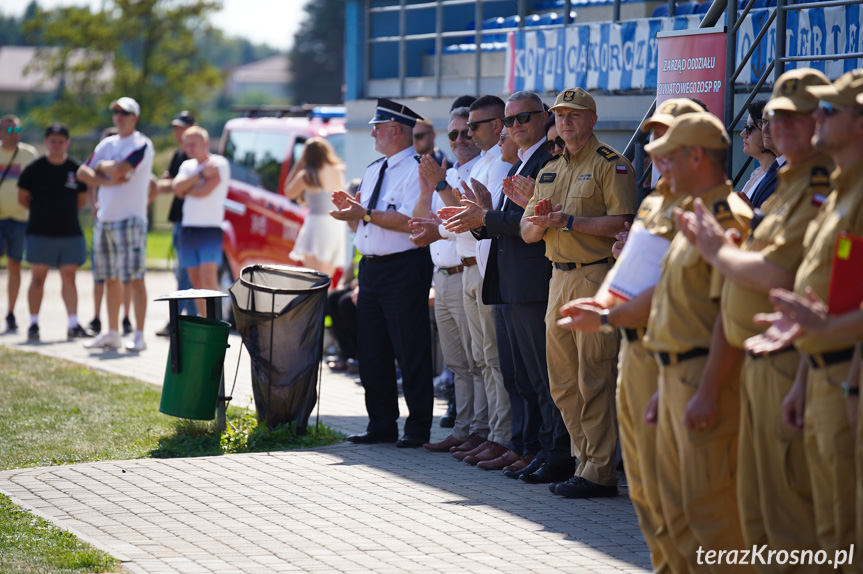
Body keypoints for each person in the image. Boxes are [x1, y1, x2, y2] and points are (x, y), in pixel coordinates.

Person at [677, 68, 831, 570]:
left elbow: (773, 272)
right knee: (759, 512)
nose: (778, 126)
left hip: (791, 362)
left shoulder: (816, 189)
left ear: (822, 121)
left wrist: (718, 251)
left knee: (791, 517)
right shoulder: (787, 185)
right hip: (759, 361)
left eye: (795, 116)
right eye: (773, 117)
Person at [557, 98, 702, 572]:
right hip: (635, 332)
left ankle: (596, 469)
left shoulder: (713, 209)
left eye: (670, 137)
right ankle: (587, 465)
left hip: (680, 346)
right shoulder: (660, 199)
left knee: (701, 502)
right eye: (654, 137)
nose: (656, 146)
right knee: (651, 500)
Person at [757, 70, 863, 571]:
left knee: (848, 531)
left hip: (847, 375)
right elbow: (825, 295)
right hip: (821, 372)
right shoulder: (843, 190)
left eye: (828, 111)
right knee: (830, 530)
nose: (815, 118)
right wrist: (803, 379)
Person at [641, 113, 752, 571]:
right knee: (675, 510)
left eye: (669, 157)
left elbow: (730, 315)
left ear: (696, 156)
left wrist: (706, 390)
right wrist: (666, 386)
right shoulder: (694, 214)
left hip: (705, 375)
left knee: (712, 515)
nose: (662, 167)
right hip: (676, 374)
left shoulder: (726, 218)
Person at [445, 91, 573, 482]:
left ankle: (553, 453)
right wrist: (484, 216)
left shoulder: (546, 160)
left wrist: (486, 216)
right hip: (512, 279)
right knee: (525, 375)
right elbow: (510, 221)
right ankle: (533, 447)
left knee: (543, 375)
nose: (514, 127)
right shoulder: (522, 162)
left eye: (522, 119)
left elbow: (528, 225)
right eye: (511, 120)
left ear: (542, 118)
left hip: (533, 280)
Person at [521, 87, 636, 499]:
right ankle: (582, 461)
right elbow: (528, 231)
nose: (565, 122)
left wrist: (567, 221)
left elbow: (622, 223)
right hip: (558, 276)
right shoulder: (550, 169)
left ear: (593, 119)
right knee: (564, 381)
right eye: (560, 115)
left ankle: (600, 471)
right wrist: (538, 223)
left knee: (594, 376)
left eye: (574, 115)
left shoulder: (612, 165)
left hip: (595, 276)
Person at [329, 97, 434, 448]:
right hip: (371, 268)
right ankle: (381, 423)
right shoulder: (376, 168)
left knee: (410, 349)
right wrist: (353, 213)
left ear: (396, 130)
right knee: (371, 351)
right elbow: (366, 215)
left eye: (378, 127)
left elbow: (410, 222)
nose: (372, 132)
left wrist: (365, 213)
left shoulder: (418, 168)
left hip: (404, 268)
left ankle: (418, 427)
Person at [433, 95, 514, 465]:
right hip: (469, 265)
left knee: (493, 359)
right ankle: (488, 433)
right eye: (458, 132)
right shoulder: (485, 164)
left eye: (472, 128)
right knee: (481, 360)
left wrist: (446, 197)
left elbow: (484, 219)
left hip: (482, 266)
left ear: (495, 126)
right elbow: (461, 223)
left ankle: (501, 436)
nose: (466, 135)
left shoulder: (498, 164)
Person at [409, 106, 487, 457]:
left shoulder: (483, 169)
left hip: (465, 272)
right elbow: (420, 224)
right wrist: (430, 187)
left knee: (477, 361)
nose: (459, 140)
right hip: (442, 275)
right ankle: (464, 428)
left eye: (465, 132)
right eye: (452, 134)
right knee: (457, 362)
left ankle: (480, 431)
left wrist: (440, 184)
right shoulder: (451, 173)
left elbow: (466, 221)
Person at [77, 97, 154, 352]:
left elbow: (122, 168)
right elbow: (82, 172)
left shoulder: (142, 144)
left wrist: (102, 169)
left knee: (134, 278)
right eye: (116, 112)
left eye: (124, 112)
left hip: (130, 219)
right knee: (109, 278)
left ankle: (139, 335)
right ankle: (111, 333)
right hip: (105, 219)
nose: (119, 116)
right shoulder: (106, 143)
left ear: (135, 117)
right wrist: (106, 179)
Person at [17, 123, 90, 341]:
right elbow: (23, 198)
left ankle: (73, 323)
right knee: (38, 277)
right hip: (40, 232)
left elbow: (81, 200)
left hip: (70, 232)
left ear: (67, 143)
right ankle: (33, 323)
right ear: (46, 142)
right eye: (52, 140)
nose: (57, 144)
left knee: (69, 276)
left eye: (61, 141)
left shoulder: (75, 169)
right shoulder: (34, 169)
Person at [171, 127, 230, 318]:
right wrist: (199, 175)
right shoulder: (188, 166)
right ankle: (204, 320)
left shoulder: (218, 163)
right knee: (195, 280)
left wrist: (188, 187)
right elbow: (177, 188)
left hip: (210, 229)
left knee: (208, 276)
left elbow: (205, 190)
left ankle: (216, 320)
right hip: (189, 229)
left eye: (193, 144)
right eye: (185, 144)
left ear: (204, 143)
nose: (189, 148)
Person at [156, 111, 197, 337]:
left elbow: (177, 186)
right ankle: (186, 320)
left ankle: (179, 322)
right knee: (181, 272)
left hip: (191, 221)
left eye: (182, 127)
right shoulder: (178, 154)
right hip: (179, 220)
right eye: (176, 128)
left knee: (185, 271)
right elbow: (170, 182)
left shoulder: (193, 157)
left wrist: (171, 184)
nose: (178, 132)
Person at [283, 137, 347, 278]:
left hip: (317, 227)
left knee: (315, 279)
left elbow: (288, 192)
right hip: (336, 226)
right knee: (327, 278)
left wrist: (298, 164)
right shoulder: (341, 170)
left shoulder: (308, 176)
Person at [0, 114, 38, 332]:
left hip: (20, 220)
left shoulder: (28, 154)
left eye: (17, 130)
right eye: (9, 130)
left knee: (15, 265)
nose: (14, 135)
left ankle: (11, 312)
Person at [738, 99, 776, 202]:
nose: (743, 133)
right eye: (745, 127)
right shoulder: (756, 173)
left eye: (750, 127)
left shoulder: (777, 176)